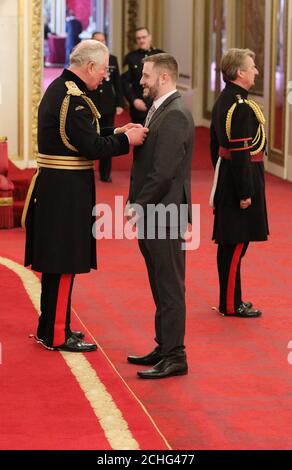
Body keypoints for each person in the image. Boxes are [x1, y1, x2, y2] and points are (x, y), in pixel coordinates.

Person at [22, 40, 148, 352]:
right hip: (64, 191)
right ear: (90, 66)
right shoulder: (72, 98)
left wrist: (116, 134)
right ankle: (56, 334)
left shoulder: (66, 90)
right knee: (63, 262)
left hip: (60, 188)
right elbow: (91, 148)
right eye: (104, 70)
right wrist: (126, 141)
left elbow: (82, 139)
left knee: (58, 263)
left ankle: (52, 326)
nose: (105, 76)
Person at [126, 54, 195, 379]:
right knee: (159, 283)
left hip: (165, 214)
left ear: (164, 78)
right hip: (156, 212)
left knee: (169, 288)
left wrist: (136, 204)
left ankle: (175, 355)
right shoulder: (162, 110)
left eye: (147, 76)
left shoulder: (176, 114)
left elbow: (164, 172)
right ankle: (164, 345)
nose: (142, 81)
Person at [209, 48, 269, 318]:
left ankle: (232, 299)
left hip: (229, 174)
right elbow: (241, 151)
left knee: (233, 244)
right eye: (252, 66)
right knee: (235, 244)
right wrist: (245, 191)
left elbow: (214, 145)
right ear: (240, 72)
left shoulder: (226, 99)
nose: (256, 70)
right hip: (241, 177)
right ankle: (230, 304)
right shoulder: (240, 106)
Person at [88, 31, 125, 183]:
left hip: (108, 104)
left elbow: (117, 83)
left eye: (103, 40)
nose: (101, 43)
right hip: (91, 103)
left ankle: (105, 173)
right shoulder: (87, 60)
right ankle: (87, 170)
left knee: (108, 137)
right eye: (97, 41)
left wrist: (120, 103)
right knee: (89, 137)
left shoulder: (113, 59)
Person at [122, 27, 164, 124]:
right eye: (138, 38)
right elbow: (124, 82)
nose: (141, 40)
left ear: (150, 37)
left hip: (158, 104)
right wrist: (134, 100)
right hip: (139, 105)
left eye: (144, 37)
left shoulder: (161, 55)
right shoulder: (130, 57)